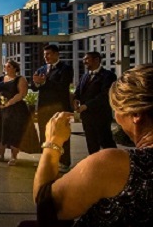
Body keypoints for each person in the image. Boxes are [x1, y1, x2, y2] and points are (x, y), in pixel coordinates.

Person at [28, 64, 153, 226]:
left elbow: (46, 207)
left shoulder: (113, 165)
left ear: (135, 114)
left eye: (117, 108)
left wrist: (52, 143)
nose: (116, 115)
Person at [0, 60, 40, 166]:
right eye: (5, 66)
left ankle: (13, 156)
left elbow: (22, 93)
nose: (6, 68)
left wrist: (9, 103)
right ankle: (0, 155)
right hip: (0, 108)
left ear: (15, 68)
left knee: (14, 132)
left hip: (16, 109)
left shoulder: (20, 79)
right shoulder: (0, 78)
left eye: (9, 66)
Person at [31, 44, 74, 173]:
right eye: (45, 55)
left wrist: (44, 82)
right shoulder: (42, 69)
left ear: (56, 54)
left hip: (59, 108)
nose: (46, 57)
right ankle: (47, 160)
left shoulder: (65, 69)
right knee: (44, 135)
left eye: (48, 54)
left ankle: (64, 162)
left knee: (62, 135)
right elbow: (34, 88)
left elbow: (62, 87)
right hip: (44, 107)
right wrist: (37, 83)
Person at [73, 51, 117, 154]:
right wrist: (75, 99)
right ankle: (95, 166)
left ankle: (115, 165)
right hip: (87, 117)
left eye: (87, 59)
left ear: (97, 60)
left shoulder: (108, 76)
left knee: (106, 143)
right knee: (91, 143)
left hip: (101, 116)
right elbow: (78, 91)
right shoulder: (84, 76)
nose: (84, 62)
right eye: (84, 59)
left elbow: (104, 96)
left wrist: (86, 106)